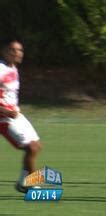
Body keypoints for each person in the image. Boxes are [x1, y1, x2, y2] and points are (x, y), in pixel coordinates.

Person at [0, 38, 42, 193]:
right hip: (3, 118)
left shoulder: (13, 69)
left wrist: (14, 109)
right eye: (14, 50)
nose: (18, 53)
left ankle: (22, 183)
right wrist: (6, 111)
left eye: (20, 50)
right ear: (5, 51)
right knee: (31, 147)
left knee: (36, 146)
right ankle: (32, 185)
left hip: (15, 114)